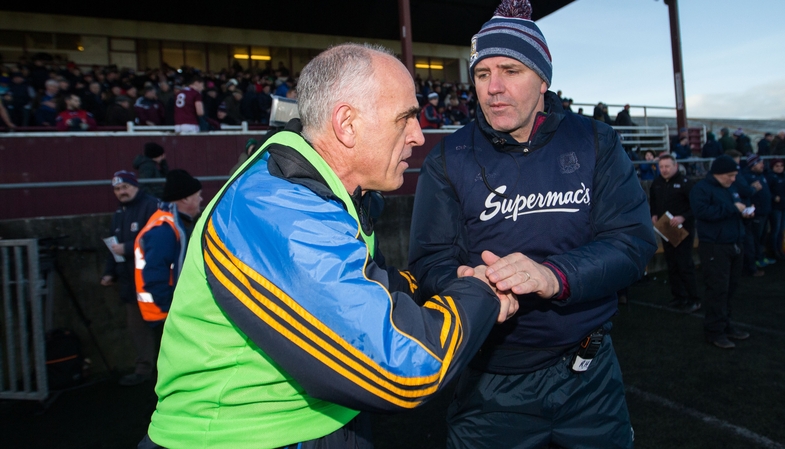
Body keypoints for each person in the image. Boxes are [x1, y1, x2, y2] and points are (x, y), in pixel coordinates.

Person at [141, 43, 516, 449]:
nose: (418, 136)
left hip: (312, 425)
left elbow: (364, 287)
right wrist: (481, 294)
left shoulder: (321, 194)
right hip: (240, 438)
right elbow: (402, 368)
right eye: (406, 118)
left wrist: (434, 283)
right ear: (347, 123)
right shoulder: (277, 208)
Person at [408, 1, 657, 447]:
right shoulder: (448, 157)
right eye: (482, 75)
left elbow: (632, 244)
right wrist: (465, 282)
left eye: (511, 71)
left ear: (543, 79)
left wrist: (552, 276)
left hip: (588, 375)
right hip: (488, 381)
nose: (493, 88)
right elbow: (429, 262)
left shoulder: (595, 141)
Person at [100, 171, 160, 385]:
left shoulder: (151, 206)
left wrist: (127, 247)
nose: (121, 192)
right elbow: (112, 247)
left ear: (135, 186)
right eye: (117, 189)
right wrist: (109, 273)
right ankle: (143, 371)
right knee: (137, 329)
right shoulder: (119, 213)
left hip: (153, 282)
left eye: (125, 187)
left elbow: (157, 239)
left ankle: (165, 370)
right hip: (129, 283)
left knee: (163, 326)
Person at [689, 155, 751, 349]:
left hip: (734, 243)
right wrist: (733, 209)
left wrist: (744, 214)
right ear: (719, 173)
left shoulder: (730, 188)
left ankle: (726, 324)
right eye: (731, 175)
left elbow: (730, 210)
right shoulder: (701, 189)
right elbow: (702, 213)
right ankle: (714, 331)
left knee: (730, 288)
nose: (734, 179)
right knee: (717, 289)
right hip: (715, 246)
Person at [134, 169, 202, 326]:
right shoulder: (164, 229)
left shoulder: (170, 224)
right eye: (197, 195)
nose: (201, 200)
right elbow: (155, 273)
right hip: (163, 314)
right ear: (185, 199)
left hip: (163, 311)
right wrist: (172, 308)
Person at [650, 154, 701, 312]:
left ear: (675, 166)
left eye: (667, 166)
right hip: (665, 227)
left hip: (683, 229)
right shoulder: (657, 183)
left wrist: (683, 217)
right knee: (671, 262)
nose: (664, 170)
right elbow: (653, 201)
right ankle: (679, 296)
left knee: (684, 264)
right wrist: (654, 214)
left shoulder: (686, 183)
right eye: (661, 167)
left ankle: (694, 298)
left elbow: (696, 206)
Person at [742, 154, 773, 268]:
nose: (762, 165)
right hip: (757, 213)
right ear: (752, 165)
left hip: (765, 211)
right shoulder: (748, 177)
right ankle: (755, 258)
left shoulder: (761, 176)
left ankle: (760, 255)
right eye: (759, 163)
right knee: (756, 237)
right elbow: (747, 193)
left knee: (762, 236)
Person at [766, 158, 785, 259]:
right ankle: (774, 250)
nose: (779, 168)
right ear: (773, 167)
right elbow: (766, 191)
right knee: (776, 230)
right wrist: (774, 197)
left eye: (781, 166)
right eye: (777, 166)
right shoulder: (770, 177)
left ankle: (779, 249)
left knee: (781, 230)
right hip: (776, 207)